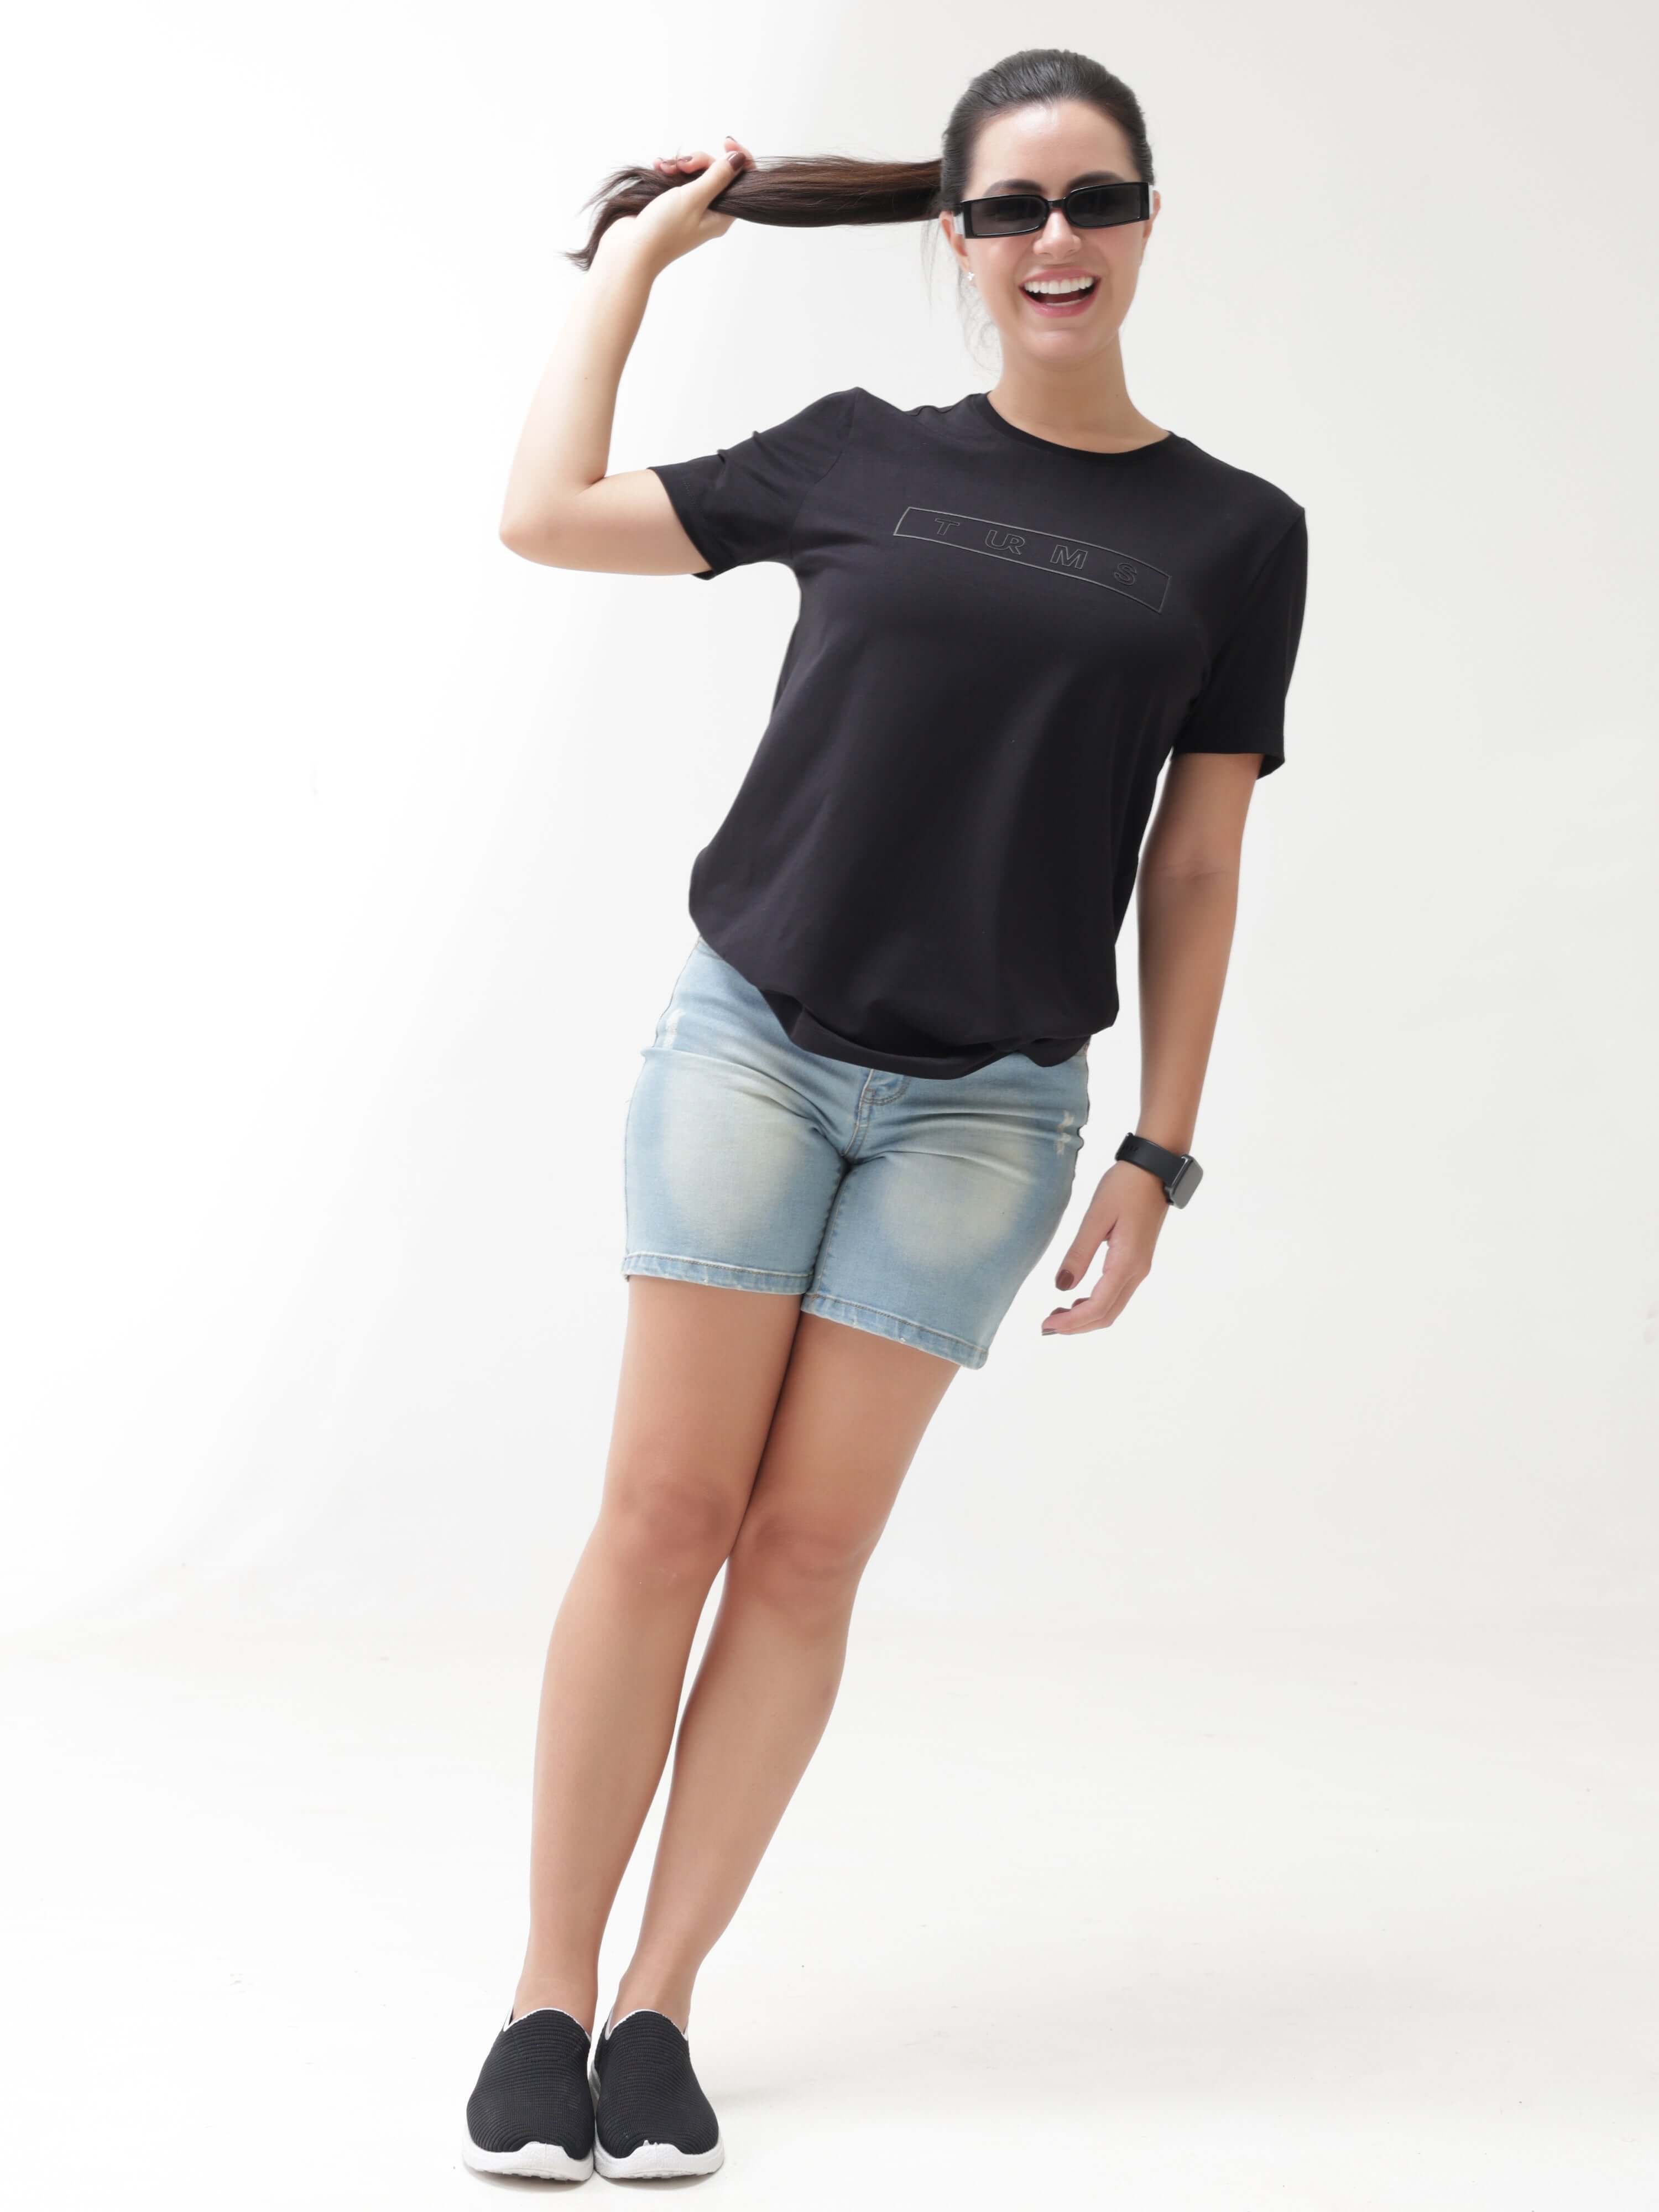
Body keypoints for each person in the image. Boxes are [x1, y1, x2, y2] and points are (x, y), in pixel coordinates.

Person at [462, 46, 1308, 2183]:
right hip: (752, 1046)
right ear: (956, 236)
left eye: (1093, 199)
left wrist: (1162, 1148)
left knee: (808, 1551)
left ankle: (659, 2008)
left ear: (1147, 219)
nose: (1056, 240)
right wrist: (636, 272)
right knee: (666, 1517)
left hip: (989, 1116)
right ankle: (545, 1996)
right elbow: (545, 517)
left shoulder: (1238, 536)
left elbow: (1196, 864)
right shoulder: (857, 453)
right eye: (1012, 207)